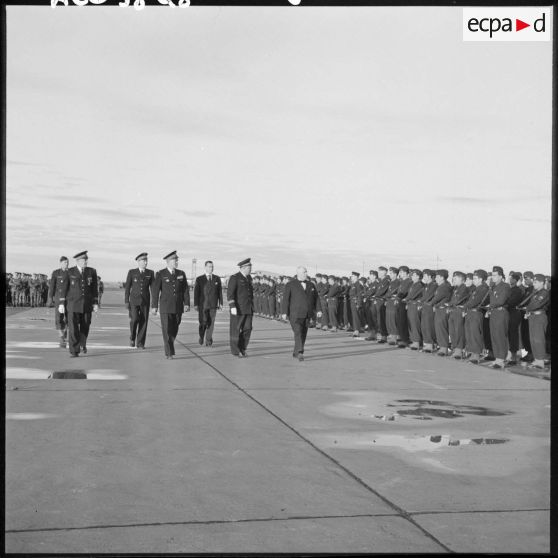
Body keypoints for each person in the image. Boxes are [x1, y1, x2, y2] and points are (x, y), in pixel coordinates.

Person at [57, 251, 99, 357]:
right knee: (73, 329)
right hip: (72, 305)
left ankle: (82, 343)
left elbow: (94, 289)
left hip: (86, 305)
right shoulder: (70, 272)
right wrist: (61, 303)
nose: (86, 262)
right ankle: (74, 351)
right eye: (84, 260)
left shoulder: (92, 271)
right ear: (78, 261)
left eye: (86, 260)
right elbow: (64, 288)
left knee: (85, 326)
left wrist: (95, 303)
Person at [151, 251, 190, 359]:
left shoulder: (181, 273)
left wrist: (186, 303)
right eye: (175, 260)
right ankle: (169, 352)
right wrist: (154, 306)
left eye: (177, 260)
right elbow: (155, 291)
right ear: (168, 261)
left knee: (175, 328)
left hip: (178, 306)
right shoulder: (160, 273)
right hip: (165, 306)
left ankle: (170, 345)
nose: (177, 262)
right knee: (166, 329)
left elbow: (185, 290)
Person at [282, 266, 322, 361]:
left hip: (307, 313)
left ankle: (296, 352)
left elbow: (316, 299)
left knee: (303, 333)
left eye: (306, 272)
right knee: (298, 332)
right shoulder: (290, 284)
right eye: (304, 272)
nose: (306, 274)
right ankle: (300, 351)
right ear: (298, 273)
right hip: (295, 313)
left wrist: (319, 310)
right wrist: (284, 312)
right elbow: (286, 299)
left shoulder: (311, 285)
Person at [124, 252, 154, 349]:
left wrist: (154, 303)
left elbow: (153, 288)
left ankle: (140, 343)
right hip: (134, 300)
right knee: (134, 319)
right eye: (144, 261)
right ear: (138, 261)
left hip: (145, 301)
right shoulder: (132, 272)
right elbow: (128, 287)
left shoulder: (150, 273)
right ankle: (132, 337)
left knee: (144, 322)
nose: (146, 262)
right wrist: (126, 301)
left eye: (146, 261)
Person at [227, 258, 254, 357]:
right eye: (249, 267)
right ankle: (235, 350)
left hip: (248, 309)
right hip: (238, 309)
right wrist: (232, 306)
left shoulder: (249, 278)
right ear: (243, 268)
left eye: (250, 267)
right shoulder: (235, 277)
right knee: (235, 330)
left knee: (248, 329)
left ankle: (242, 347)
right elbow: (230, 294)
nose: (250, 269)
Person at [193, 260, 223, 347]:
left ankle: (208, 340)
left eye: (212, 266)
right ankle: (201, 336)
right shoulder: (199, 279)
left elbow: (219, 292)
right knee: (203, 323)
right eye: (209, 266)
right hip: (203, 305)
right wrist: (195, 304)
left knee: (211, 323)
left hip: (213, 305)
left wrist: (220, 302)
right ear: (205, 267)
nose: (211, 268)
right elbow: (196, 293)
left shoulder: (217, 278)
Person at [463, 269, 490, 364]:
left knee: (475, 333)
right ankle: (472, 352)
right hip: (471, 312)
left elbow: (476, 301)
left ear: (481, 279)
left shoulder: (483, 288)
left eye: (475, 278)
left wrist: (465, 306)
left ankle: (476, 354)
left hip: (476, 312)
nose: (473, 280)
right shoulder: (477, 288)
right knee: (469, 332)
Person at [487, 266, 511, 369]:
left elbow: (501, 301)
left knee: (500, 336)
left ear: (501, 276)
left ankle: (501, 359)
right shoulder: (493, 287)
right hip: (494, 313)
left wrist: (490, 306)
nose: (493, 277)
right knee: (494, 336)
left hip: (501, 313)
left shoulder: (505, 286)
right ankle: (497, 358)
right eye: (492, 275)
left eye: (495, 275)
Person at [524, 274, 549, 370]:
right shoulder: (535, 293)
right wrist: (528, 310)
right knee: (533, 339)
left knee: (539, 339)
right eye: (533, 282)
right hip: (533, 316)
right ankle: (537, 359)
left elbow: (536, 304)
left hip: (539, 316)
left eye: (535, 282)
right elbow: (531, 304)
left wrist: (527, 308)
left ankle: (541, 361)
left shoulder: (544, 292)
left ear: (542, 283)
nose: (533, 284)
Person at [48, 256, 70, 348]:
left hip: (69, 299)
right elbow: (52, 286)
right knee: (58, 318)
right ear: (61, 263)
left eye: (67, 262)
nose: (67, 264)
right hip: (58, 298)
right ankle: (61, 337)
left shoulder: (71, 272)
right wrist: (50, 298)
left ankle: (65, 332)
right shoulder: (56, 273)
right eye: (65, 262)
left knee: (69, 318)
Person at [447, 271, 469, 359]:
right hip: (453, 310)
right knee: (452, 331)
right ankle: (455, 348)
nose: (453, 280)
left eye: (456, 278)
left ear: (462, 280)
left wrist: (449, 304)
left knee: (458, 331)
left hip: (459, 311)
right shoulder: (456, 288)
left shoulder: (464, 288)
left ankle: (459, 350)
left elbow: (458, 300)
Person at [432, 269, 453, 356]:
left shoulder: (444, 286)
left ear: (441, 277)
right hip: (439, 309)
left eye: (437, 277)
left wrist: (430, 304)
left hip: (442, 309)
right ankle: (442, 347)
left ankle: (444, 348)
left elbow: (437, 298)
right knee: (439, 328)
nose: (435, 278)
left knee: (441, 328)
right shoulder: (441, 286)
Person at [506, 271, 524, 365]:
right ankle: (510, 354)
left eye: (512, 278)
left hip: (514, 313)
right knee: (509, 334)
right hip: (508, 313)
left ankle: (514, 356)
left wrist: (503, 303)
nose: (510, 279)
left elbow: (511, 302)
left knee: (513, 335)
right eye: (510, 278)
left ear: (516, 280)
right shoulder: (509, 289)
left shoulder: (517, 290)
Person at [403, 269, 424, 350]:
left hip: (415, 306)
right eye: (412, 275)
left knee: (415, 324)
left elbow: (412, 295)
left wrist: (405, 299)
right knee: (411, 324)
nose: (412, 276)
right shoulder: (413, 284)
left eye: (414, 275)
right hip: (411, 305)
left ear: (418, 276)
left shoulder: (419, 285)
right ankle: (413, 341)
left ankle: (417, 342)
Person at [419, 269, 437, 353]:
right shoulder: (427, 285)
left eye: (425, 275)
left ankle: (431, 344)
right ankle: (426, 344)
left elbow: (428, 296)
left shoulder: (433, 285)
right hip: (425, 307)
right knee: (424, 326)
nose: (423, 277)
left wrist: (420, 301)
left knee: (429, 326)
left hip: (429, 307)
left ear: (429, 276)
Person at [372, 266, 390, 343]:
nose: (378, 273)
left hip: (382, 301)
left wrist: (375, 295)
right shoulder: (379, 281)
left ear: (384, 272)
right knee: (377, 319)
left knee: (382, 319)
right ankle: (379, 334)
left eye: (380, 272)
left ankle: (384, 336)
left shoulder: (386, 280)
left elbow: (381, 291)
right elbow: (374, 289)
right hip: (377, 301)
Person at [349, 271, 364, 337]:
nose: (351, 277)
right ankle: (355, 330)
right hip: (352, 302)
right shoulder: (353, 284)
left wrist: (359, 304)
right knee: (354, 316)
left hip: (356, 302)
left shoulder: (358, 284)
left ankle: (357, 331)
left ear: (356, 277)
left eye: (352, 276)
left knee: (356, 317)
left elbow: (360, 295)